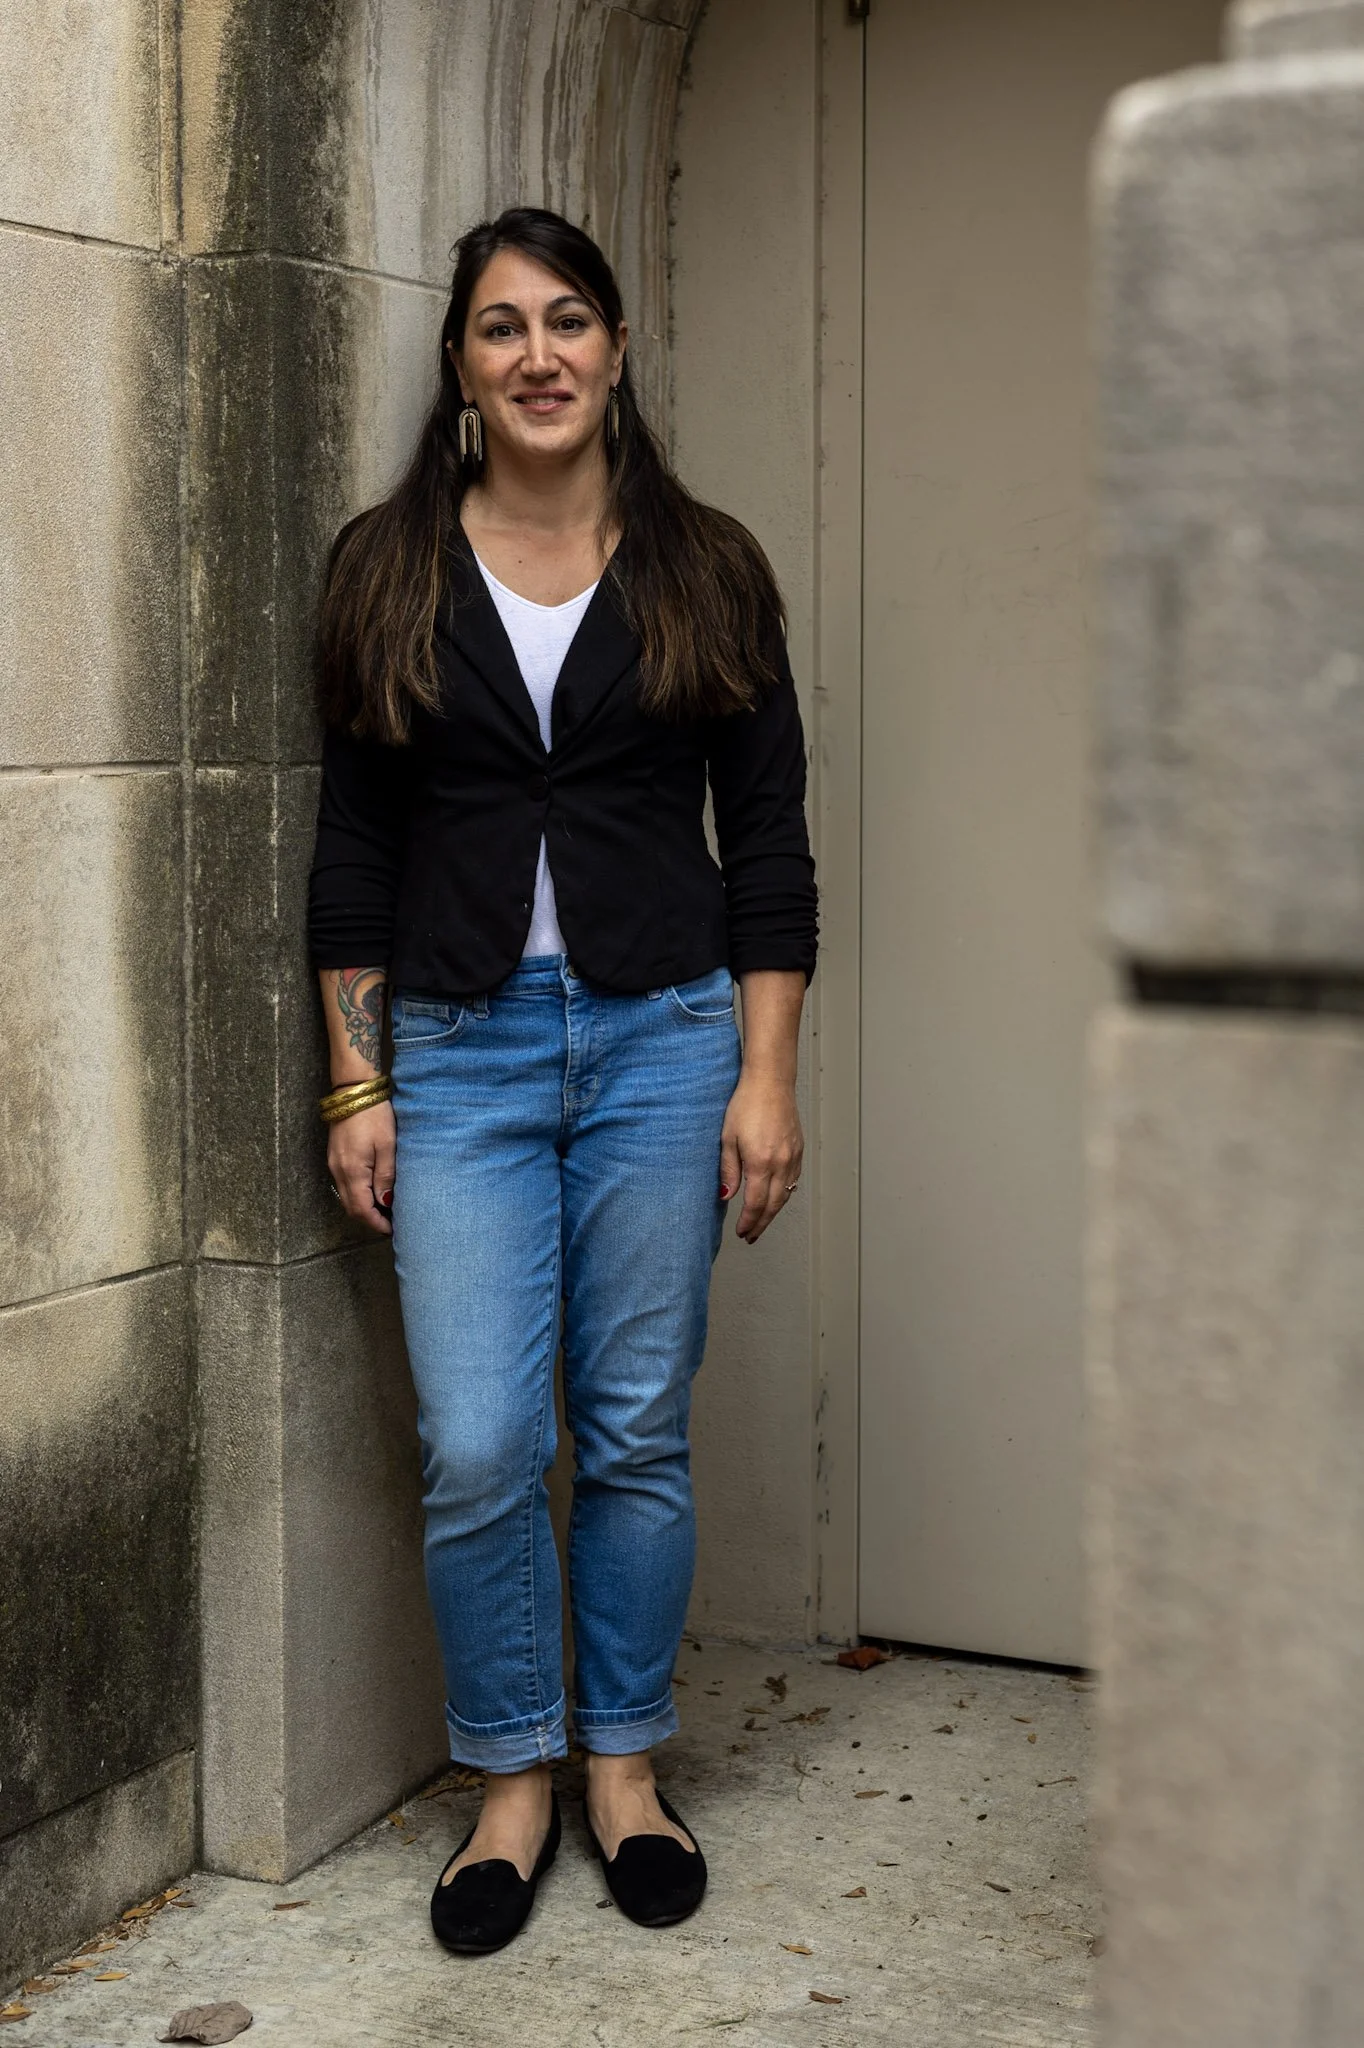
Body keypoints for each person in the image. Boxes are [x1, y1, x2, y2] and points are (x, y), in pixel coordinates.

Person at [307, 206, 817, 1955]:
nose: (539, 354)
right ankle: (508, 1783)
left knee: (630, 1434)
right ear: (458, 366)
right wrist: (354, 1085)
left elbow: (768, 848)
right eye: (503, 327)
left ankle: (621, 1770)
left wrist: (767, 1076)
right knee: (475, 1438)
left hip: (668, 1042)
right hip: (456, 1050)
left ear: (613, 351)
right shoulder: (385, 569)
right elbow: (350, 854)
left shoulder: (707, 567)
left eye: (570, 321)